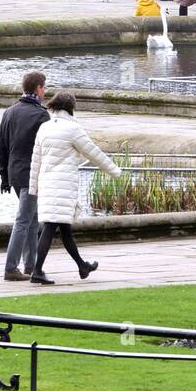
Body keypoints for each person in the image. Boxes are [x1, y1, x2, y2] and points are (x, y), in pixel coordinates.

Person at [29, 91, 123, 285]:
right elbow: (94, 153)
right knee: (50, 228)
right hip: (63, 186)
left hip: (47, 184)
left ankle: (82, 266)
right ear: (71, 108)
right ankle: (37, 271)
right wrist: (115, 171)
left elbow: (35, 161)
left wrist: (33, 188)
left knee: (64, 230)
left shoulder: (44, 127)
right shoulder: (73, 129)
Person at [0, 71, 50, 282]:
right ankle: (11, 267)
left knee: (31, 218)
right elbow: (45, 149)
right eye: (44, 88)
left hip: (14, 172)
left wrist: (4, 176)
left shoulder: (9, 112)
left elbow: (0, 148)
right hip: (32, 174)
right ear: (38, 88)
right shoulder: (41, 115)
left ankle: (30, 264)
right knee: (23, 220)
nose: (45, 92)